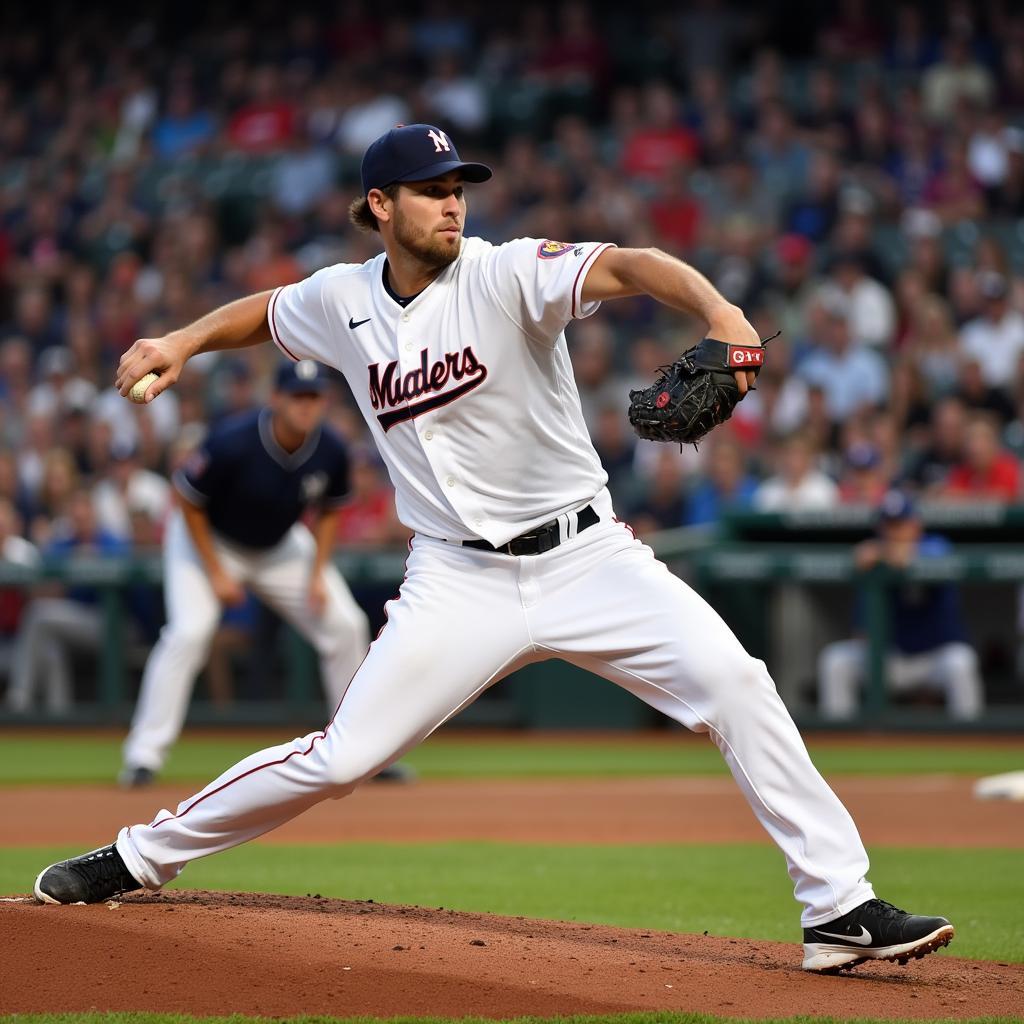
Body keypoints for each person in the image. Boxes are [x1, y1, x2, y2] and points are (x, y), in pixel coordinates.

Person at [34, 123, 954, 975]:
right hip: (457, 579)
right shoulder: (341, 298)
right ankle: (135, 856)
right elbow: (268, 310)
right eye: (429, 189)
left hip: (590, 559)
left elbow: (630, 264)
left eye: (459, 186)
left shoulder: (510, 272)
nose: (452, 202)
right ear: (380, 207)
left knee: (737, 684)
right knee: (343, 759)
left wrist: (725, 316)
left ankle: (839, 908)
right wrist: (183, 341)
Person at [118, 360, 378, 787]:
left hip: (280, 546)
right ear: (275, 399)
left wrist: (317, 573)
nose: (307, 406)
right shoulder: (233, 440)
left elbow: (331, 511)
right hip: (207, 539)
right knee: (189, 632)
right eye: (298, 396)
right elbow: (189, 501)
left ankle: (361, 751)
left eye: (314, 398)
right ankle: (143, 755)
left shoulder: (331, 448)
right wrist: (217, 573)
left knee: (346, 625)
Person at [818, 490, 984, 722]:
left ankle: (972, 740)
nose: (895, 532)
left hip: (934, 657)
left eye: (901, 524)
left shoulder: (934, 546)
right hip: (890, 658)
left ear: (916, 524)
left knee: (961, 661)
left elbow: (928, 557)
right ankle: (844, 741)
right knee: (836, 661)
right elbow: (861, 631)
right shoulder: (873, 562)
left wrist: (884, 552)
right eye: (889, 525)